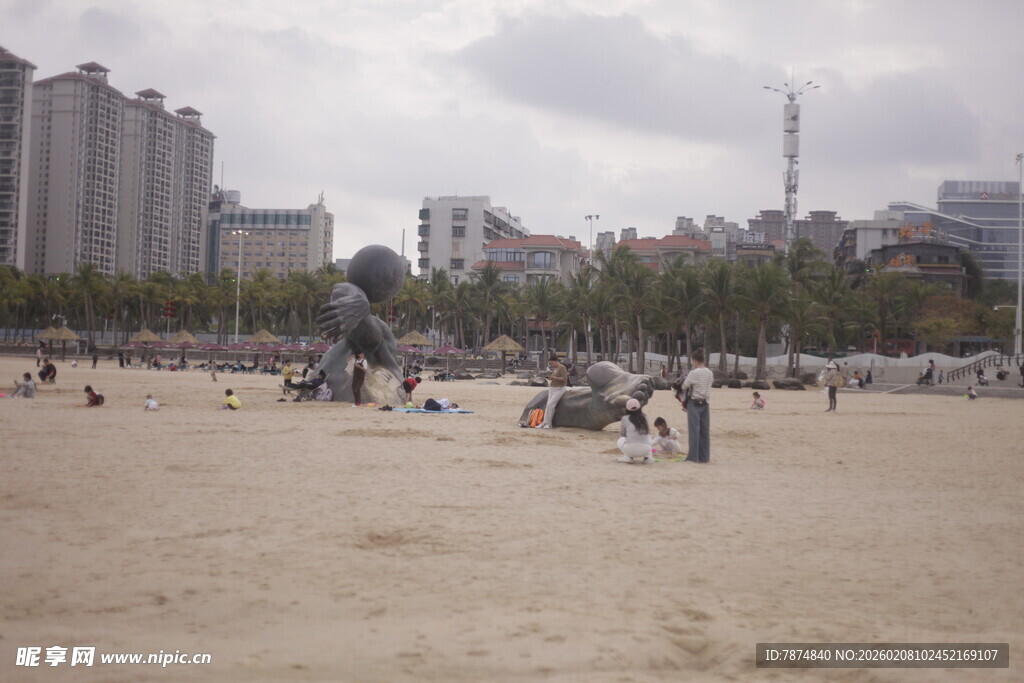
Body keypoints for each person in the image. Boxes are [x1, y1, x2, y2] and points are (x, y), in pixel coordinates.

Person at [680, 348, 713, 463]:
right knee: (705, 431)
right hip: (705, 403)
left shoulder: (694, 373)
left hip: (694, 403)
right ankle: (704, 457)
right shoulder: (709, 372)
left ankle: (693, 457)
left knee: (694, 430)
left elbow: (684, 386)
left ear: (694, 360)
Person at [616, 398, 653, 464]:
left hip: (630, 450)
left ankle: (628, 457)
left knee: (621, 439)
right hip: (646, 450)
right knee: (648, 436)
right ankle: (647, 457)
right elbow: (647, 432)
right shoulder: (645, 417)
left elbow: (622, 434)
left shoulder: (625, 418)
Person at [537, 355, 568, 429]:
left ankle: (549, 423)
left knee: (551, 405)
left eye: (552, 363)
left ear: (556, 361)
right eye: (550, 363)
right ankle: (544, 423)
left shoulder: (562, 368)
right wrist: (550, 378)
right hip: (552, 388)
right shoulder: (555, 368)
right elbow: (554, 377)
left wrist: (554, 377)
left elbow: (564, 378)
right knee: (548, 405)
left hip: (559, 388)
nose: (551, 365)